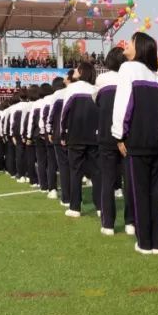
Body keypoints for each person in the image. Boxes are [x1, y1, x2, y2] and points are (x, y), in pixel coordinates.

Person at [112, 32, 158, 254]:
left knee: (139, 192)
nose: (127, 43)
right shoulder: (157, 77)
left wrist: (118, 134)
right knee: (154, 193)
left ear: (140, 47)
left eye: (131, 41)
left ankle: (144, 242)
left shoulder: (128, 69)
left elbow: (123, 103)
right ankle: (157, 242)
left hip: (137, 139)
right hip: (157, 140)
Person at [61, 61, 100, 218]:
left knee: (75, 172)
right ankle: (101, 206)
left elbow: (64, 113)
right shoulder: (96, 89)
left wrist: (62, 133)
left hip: (75, 136)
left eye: (77, 69)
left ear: (82, 72)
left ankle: (75, 207)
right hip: (94, 136)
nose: (75, 71)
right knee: (97, 173)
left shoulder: (71, 89)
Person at [95, 47, 127, 234]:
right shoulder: (130, 77)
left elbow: (97, 102)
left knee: (107, 180)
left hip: (107, 135)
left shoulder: (102, 79)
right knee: (128, 180)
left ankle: (108, 224)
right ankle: (131, 222)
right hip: (127, 135)